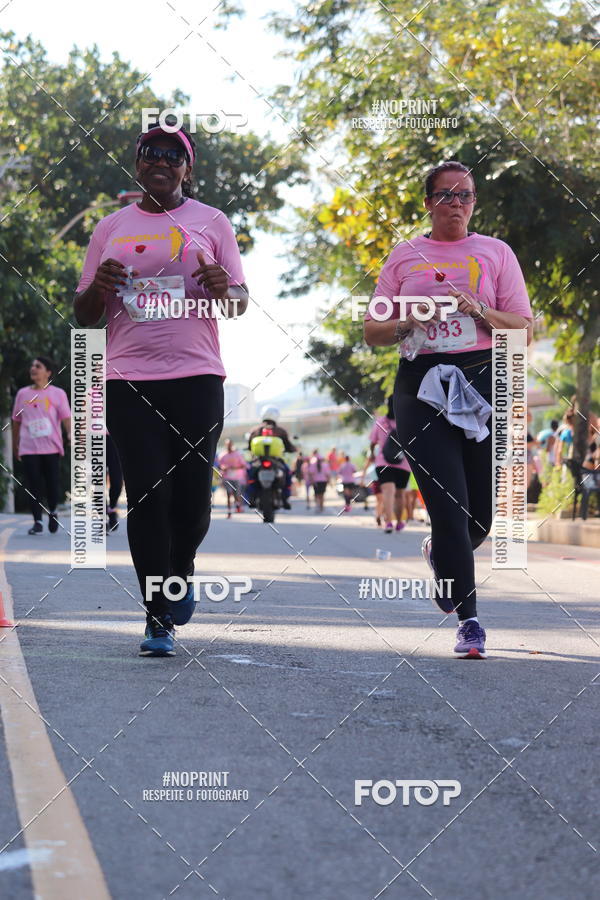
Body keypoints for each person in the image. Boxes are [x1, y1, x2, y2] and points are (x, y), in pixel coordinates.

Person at [74, 122, 248, 657]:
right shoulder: (111, 228)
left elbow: (239, 300)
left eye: (174, 156)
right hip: (129, 379)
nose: (162, 161)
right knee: (148, 495)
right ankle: (157, 615)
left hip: (197, 377)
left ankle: (183, 567)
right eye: (152, 153)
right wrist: (99, 288)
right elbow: (83, 316)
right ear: (138, 164)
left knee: (192, 499)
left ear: (187, 170)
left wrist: (224, 285)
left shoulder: (213, 223)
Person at [364, 160, 533, 659]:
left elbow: (523, 330)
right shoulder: (404, 256)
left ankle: (442, 555)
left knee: (479, 517)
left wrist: (480, 311)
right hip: (421, 384)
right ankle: (471, 622)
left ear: (474, 202)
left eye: (465, 196)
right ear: (428, 203)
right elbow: (372, 331)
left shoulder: (495, 253)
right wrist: (407, 320)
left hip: (482, 381)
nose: (456, 204)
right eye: (446, 195)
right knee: (451, 508)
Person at [12, 357, 71, 535]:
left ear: (48, 373)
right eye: (32, 366)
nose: (33, 369)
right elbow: (16, 421)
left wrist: (71, 435)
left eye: (38, 366)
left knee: (52, 483)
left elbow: (66, 418)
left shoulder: (57, 393)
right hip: (29, 447)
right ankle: (37, 521)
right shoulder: (22, 394)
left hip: (51, 447)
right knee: (33, 484)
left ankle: (52, 512)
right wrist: (15, 444)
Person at [368, 396, 411, 534]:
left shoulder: (380, 422)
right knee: (399, 493)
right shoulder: (406, 421)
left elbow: (372, 442)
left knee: (388, 491)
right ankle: (399, 523)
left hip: (383, 462)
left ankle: (388, 522)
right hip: (403, 463)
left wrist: (373, 454)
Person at [247, 406, 295, 509]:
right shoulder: (281, 431)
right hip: (277, 461)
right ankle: (285, 499)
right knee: (288, 474)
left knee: (250, 475)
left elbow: (249, 447)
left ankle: (251, 498)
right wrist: (293, 449)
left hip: (258, 461)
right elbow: (289, 446)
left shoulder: (255, 431)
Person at [218, 439, 246, 517]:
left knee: (236, 494)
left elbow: (243, 465)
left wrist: (235, 467)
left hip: (237, 478)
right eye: (227, 444)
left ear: (232, 445)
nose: (229, 446)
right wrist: (223, 468)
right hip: (227, 477)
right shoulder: (222, 455)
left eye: (230, 444)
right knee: (228, 493)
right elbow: (220, 465)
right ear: (225, 445)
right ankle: (229, 511)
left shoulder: (237, 454)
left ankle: (238, 505)